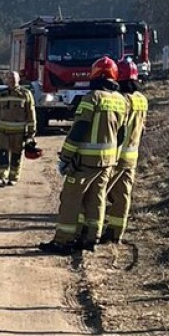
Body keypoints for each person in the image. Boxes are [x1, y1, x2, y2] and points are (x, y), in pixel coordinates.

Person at [39, 57, 128, 254]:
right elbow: (122, 134)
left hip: (85, 161)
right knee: (97, 198)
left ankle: (63, 241)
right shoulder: (121, 100)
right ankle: (91, 239)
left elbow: (79, 128)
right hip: (108, 161)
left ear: (94, 74)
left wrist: (66, 156)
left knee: (71, 198)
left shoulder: (92, 98)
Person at [102, 59, 148, 243]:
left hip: (115, 155)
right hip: (132, 156)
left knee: (96, 194)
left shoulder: (122, 101)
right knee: (122, 195)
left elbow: (117, 129)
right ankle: (116, 233)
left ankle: (88, 231)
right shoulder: (141, 99)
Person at [0, 70, 36, 186]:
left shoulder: (25, 94)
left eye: (14, 79)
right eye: (10, 78)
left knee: (16, 156)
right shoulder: (2, 94)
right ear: (6, 80)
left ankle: (13, 177)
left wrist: (31, 132)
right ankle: (1, 177)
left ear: (18, 80)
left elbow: (31, 113)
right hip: (2, 131)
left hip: (19, 132)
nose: (12, 81)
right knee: (2, 154)